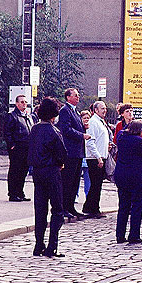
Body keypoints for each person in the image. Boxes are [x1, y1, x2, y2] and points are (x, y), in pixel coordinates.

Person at [28, 96, 67, 258]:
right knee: (57, 210)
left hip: (38, 172)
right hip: (52, 171)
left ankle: (38, 245)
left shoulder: (35, 129)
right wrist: (60, 163)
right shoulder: (54, 131)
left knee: (40, 209)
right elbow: (62, 154)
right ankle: (52, 246)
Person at [114, 119, 142, 244]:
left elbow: (122, 130)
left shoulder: (122, 137)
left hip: (121, 176)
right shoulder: (139, 141)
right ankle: (134, 235)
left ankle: (120, 235)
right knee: (137, 206)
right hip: (135, 177)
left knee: (123, 206)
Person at [56, 88, 87, 218]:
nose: (78, 97)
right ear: (68, 97)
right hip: (70, 152)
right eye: (75, 95)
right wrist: (82, 135)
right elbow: (66, 130)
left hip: (78, 152)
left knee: (75, 181)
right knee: (67, 181)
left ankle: (70, 206)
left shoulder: (75, 111)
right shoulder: (65, 111)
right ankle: (63, 207)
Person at [4, 95, 34, 202]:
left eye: (25, 102)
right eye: (22, 102)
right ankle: (13, 193)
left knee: (23, 171)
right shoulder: (12, 116)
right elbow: (7, 132)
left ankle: (20, 192)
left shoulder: (28, 116)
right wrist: (11, 145)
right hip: (17, 147)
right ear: (16, 104)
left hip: (27, 147)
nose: (24, 104)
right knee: (15, 170)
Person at [83, 101, 110, 218]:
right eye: (102, 108)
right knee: (96, 184)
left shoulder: (100, 122)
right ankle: (93, 209)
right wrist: (98, 157)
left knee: (97, 184)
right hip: (94, 158)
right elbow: (90, 142)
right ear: (95, 110)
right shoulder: (93, 122)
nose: (104, 110)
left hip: (100, 156)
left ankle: (90, 206)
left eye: (105, 108)